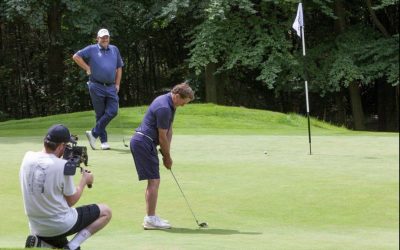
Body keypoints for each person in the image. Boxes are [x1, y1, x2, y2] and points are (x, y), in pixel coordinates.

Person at [20, 124, 112, 249]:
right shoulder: (62, 166)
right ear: (61, 146)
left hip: (36, 226)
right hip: (60, 224)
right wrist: (84, 180)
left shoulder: (27, 157)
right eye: (66, 145)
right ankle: (72, 246)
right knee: (106, 211)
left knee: (60, 241)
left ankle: (41, 244)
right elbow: (71, 200)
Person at [130, 83, 194, 229]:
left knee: (154, 180)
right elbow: (162, 136)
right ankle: (150, 219)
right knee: (154, 181)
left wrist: (167, 154)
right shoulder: (164, 107)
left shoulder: (171, 104)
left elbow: (169, 130)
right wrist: (167, 157)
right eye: (184, 103)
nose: (183, 106)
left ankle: (151, 217)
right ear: (177, 96)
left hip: (146, 142)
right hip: (143, 142)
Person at [73, 28, 124, 150]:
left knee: (113, 111)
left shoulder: (114, 49)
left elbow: (119, 68)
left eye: (107, 37)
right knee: (100, 114)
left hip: (111, 86)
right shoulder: (91, 49)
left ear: (109, 38)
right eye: (102, 37)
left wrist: (117, 84)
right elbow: (76, 56)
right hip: (96, 86)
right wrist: (87, 68)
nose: (105, 39)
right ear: (98, 38)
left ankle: (93, 134)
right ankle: (104, 142)